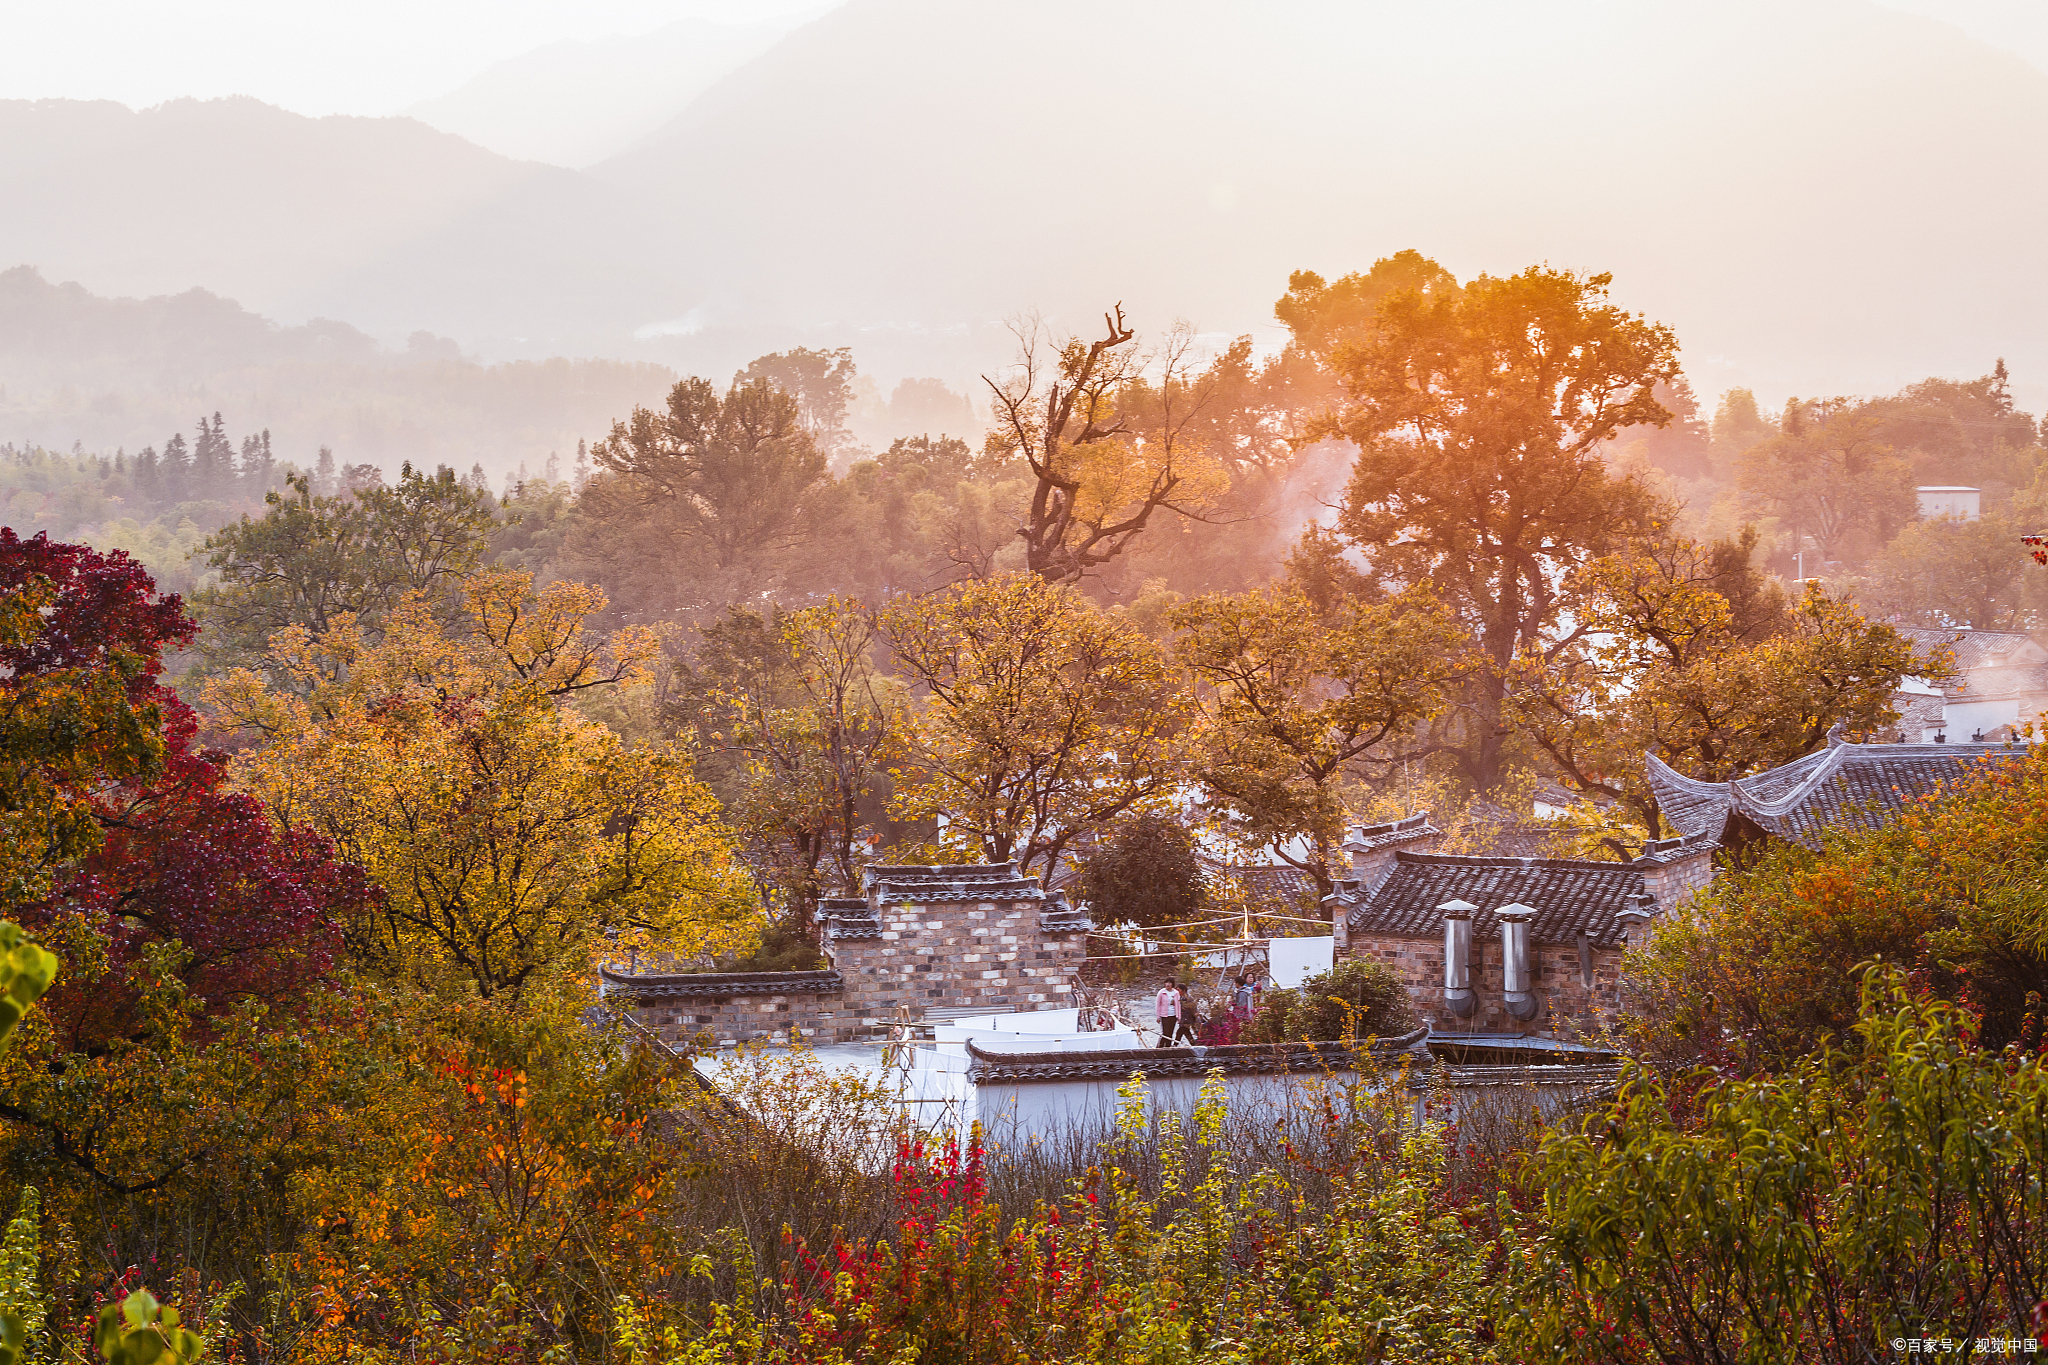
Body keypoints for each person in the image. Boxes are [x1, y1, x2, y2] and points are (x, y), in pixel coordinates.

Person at [1155, 980, 1182, 1047]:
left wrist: (1178, 1016)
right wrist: (1158, 1016)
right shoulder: (1161, 992)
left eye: (1170, 983)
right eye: (1167, 983)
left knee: (1170, 1033)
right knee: (1165, 1033)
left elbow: (1178, 1005)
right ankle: (1159, 1047)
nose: (1168, 984)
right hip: (1164, 1015)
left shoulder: (1176, 993)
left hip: (1173, 1015)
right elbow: (1158, 1005)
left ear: (1172, 984)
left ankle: (1167, 1047)